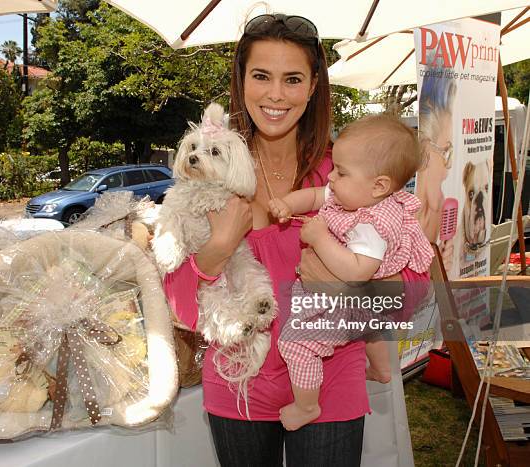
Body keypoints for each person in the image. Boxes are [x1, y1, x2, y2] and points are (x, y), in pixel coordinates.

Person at [163, 13, 429, 467]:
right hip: (237, 385)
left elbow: (416, 291)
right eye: (261, 76)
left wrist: (348, 284)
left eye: (292, 79)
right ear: (242, 80)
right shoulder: (210, 175)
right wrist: (217, 250)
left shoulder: (347, 175)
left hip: (330, 386)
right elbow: (184, 312)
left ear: (312, 87)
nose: (275, 95)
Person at [268, 114, 434, 430]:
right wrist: (288, 204)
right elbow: (317, 195)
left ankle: (306, 406)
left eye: (340, 172)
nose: (331, 177)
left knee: (296, 344)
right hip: (369, 311)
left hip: (351, 303)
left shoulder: (372, 226)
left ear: (380, 185)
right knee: (373, 327)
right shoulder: (356, 192)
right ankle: (383, 370)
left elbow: (357, 272)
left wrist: (318, 238)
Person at [415, 71, 457, 270]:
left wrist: (443, 268)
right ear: (424, 149)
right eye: (446, 151)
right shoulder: (394, 217)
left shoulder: (441, 212)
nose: (448, 170)